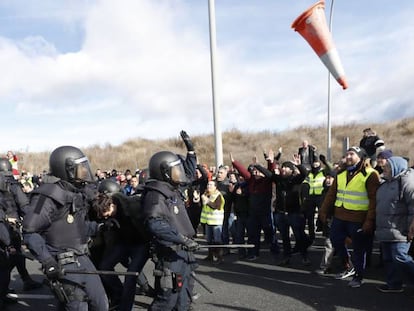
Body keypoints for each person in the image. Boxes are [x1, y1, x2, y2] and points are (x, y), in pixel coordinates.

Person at [22, 145, 109, 310]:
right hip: (63, 262)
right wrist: (48, 261)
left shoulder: (76, 192)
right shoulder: (44, 197)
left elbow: (76, 228)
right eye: (80, 168)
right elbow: (29, 231)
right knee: (77, 306)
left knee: (101, 304)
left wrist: (100, 228)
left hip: (83, 256)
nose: (84, 171)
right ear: (67, 169)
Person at [142, 151, 199, 311]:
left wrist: (191, 153)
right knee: (166, 301)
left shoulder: (172, 189)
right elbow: (155, 224)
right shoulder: (155, 195)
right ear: (165, 172)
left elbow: (189, 175)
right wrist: (181, 239)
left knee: (184, 301)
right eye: (175, 170)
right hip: (170, 255)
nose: (179, 174)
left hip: (184, 254)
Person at [319, 146, 380, 288]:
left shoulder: (371, 174)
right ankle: (348, 265)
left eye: (352, 154)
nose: (348, 157)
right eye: (347, 154)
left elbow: (374, 200)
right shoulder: (340, 174)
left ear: (361, 157)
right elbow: (331, 195)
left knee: (359, 248)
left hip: (358, 218)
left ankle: (359, 276)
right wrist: (323, 211)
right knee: (335, 240)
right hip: (340, 217)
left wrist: (370, 220)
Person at [0, 158, 42, 292]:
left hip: (3, 224)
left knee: (16, 255)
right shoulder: (12, 184)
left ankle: (25, 280)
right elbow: (24, 205)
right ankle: (3, 290)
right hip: (11, 226)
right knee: (9, 259)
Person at [375, 156, 414, 293]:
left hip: (400, 229)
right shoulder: (385, 183)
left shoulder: (407, 181)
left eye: (387, 167)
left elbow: (413, 206)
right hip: (385, 229)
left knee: (400, 257)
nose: (384, 169)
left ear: (396, 167)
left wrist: (411, 228)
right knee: (388, 259)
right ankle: (394, 284)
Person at [231, 152, 275, 261]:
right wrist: (234, 163)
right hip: (253, 214)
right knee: (253, 235)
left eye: (257, 171)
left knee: (270, 234)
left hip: (265, 213)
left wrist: (270, 162)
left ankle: (275, 252)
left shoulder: (267, 181)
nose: (255, 173)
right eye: (254, 171)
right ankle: (254, 253)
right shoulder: (251, 181)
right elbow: (245, 173)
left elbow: (270, 173)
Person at [270, 154, 311, 266]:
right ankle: (286, 257)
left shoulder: (295, 180)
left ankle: (304, 256)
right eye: (282, 167)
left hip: (294, 213)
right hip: (281, 213)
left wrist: (299, 165)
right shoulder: (279, 180)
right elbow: (269, 174)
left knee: (299, 236)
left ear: (291, 170)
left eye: (286, 167)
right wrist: (270, 162)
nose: (283, 169)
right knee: (284, 237)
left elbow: (304, 174)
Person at [200, 180, 225, 264]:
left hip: (216, 221)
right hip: (208, 221)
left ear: (215, 187)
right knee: (209, 240)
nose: (208, 186)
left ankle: (219, 257)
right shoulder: (206, 194)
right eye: (208, 184)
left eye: (211, 185)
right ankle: (210, 255)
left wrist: (207, 201)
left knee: (217, 240)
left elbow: (216, 206)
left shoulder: (218, 195)